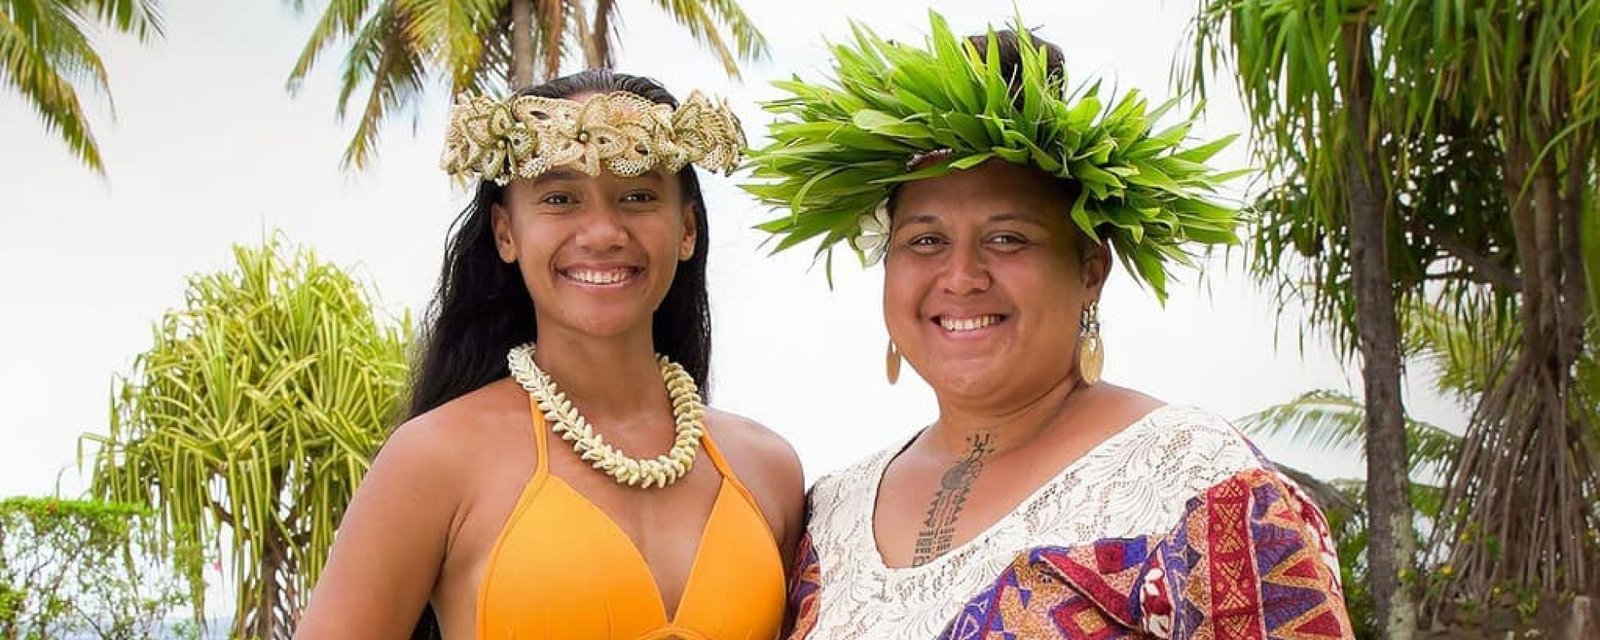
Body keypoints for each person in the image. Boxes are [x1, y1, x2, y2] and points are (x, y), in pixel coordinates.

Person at [744, 15, 1354, 639]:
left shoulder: (1196, 485)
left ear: (1091, 268)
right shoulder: (831, 514)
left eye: (1007, 238)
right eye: (925, 240)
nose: (960, 277)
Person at [295, 69, 805, 640]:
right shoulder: (435, 460)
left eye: (637, 194)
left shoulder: (767, 470)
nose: (603, 232)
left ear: (686, 228)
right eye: (560, 198)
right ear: (506, 233)